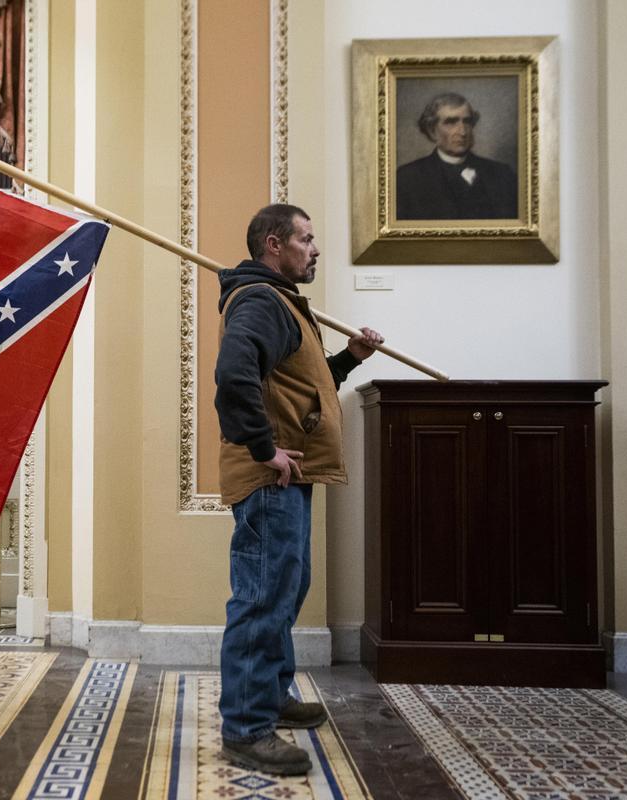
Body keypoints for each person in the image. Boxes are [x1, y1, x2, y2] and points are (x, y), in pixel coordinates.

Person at [214, 203, 382, 775]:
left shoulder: (280, 302)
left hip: (288, 475)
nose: (315, 249)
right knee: (262, 597)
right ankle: (245, 727)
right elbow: (234, 375)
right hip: (270, 477)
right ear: (273, 245)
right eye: (306, 239)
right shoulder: (261, 300)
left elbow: (304, 390)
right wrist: (265, 449)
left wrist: (349, 359)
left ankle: (272, 696)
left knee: (283, 589)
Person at [396, 92, 518, 220]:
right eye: (451, 122)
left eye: (467, 122)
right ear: (432, 131)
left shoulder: (503, 174)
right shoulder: (407, 178)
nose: (463, 131)